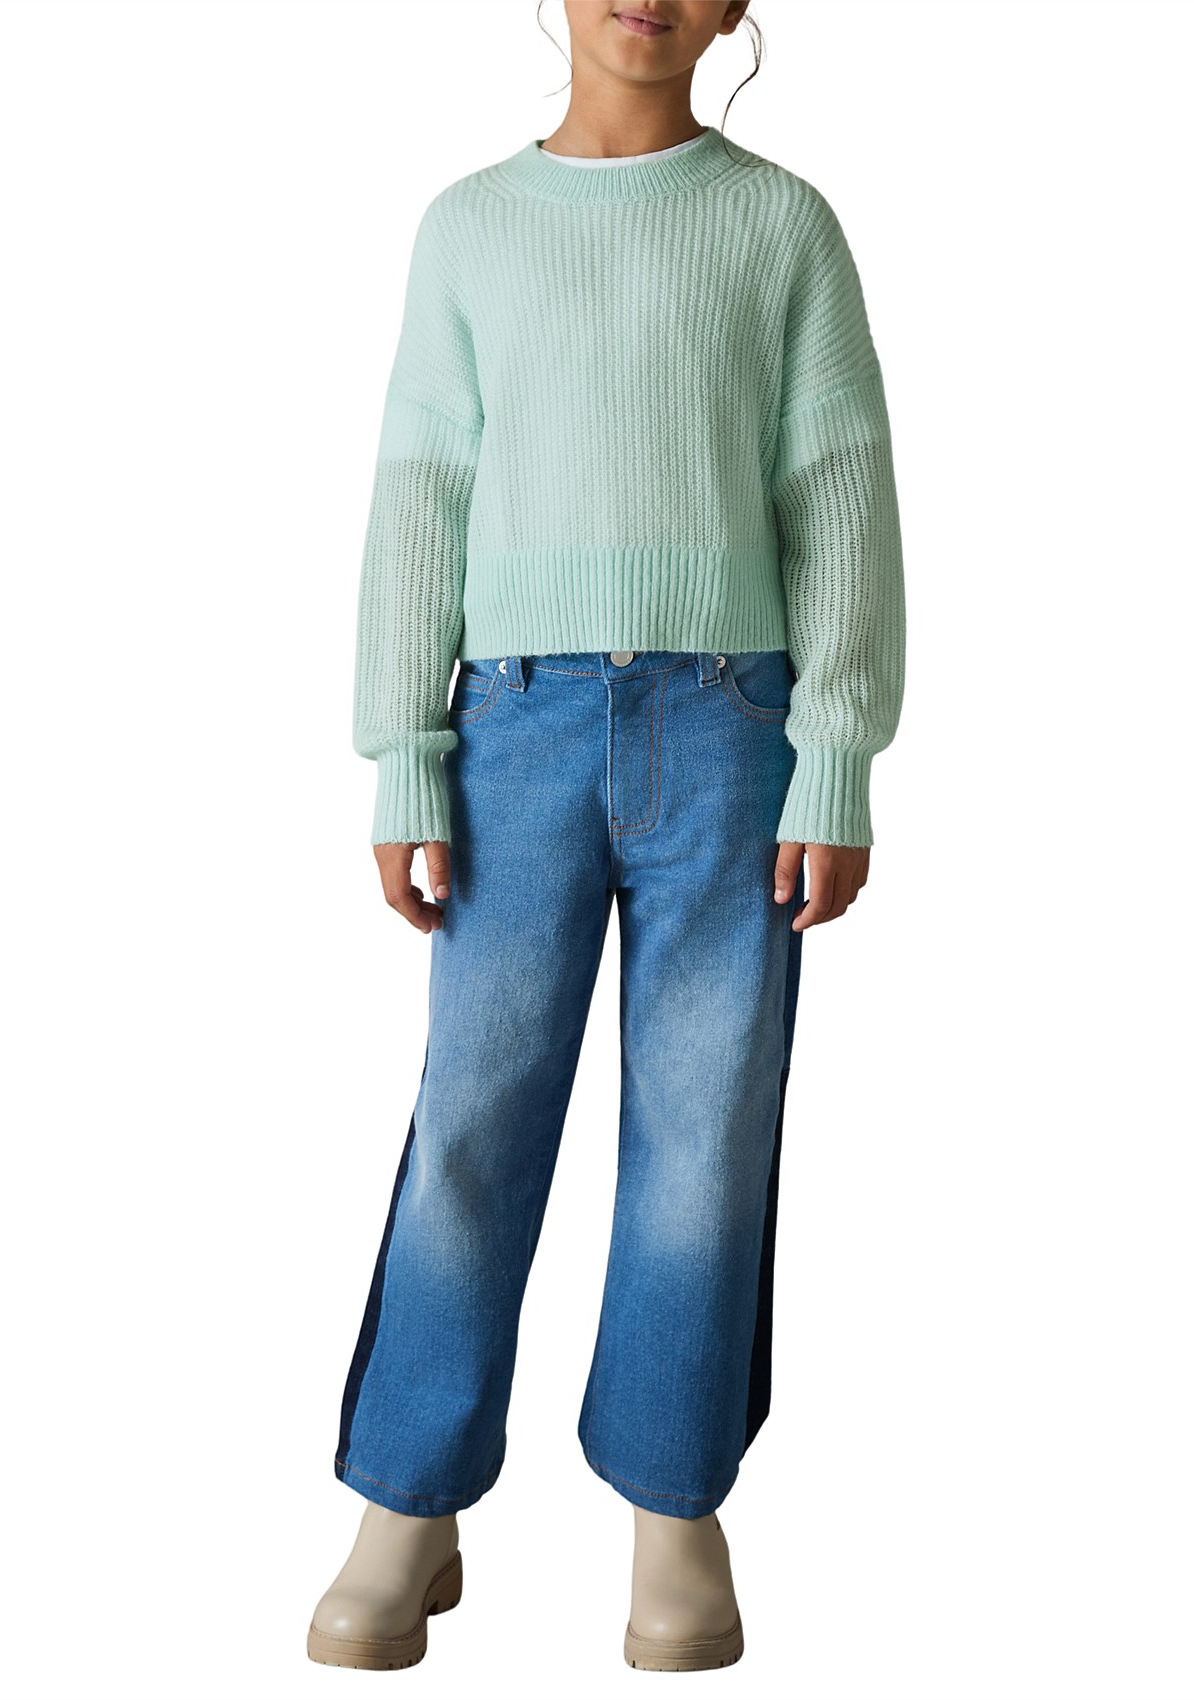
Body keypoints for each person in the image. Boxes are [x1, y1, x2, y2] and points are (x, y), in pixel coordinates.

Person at [308, 0, 905, 1674]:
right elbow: (420, 493)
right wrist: (402, 757)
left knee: (705, 1133)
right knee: (476, 1118)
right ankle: (406, 1502)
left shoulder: (781, 225)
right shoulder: (469, 227)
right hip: (513, 731)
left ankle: (672, 1508)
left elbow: (840, 490)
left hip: (731, 729)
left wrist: (838, 757)